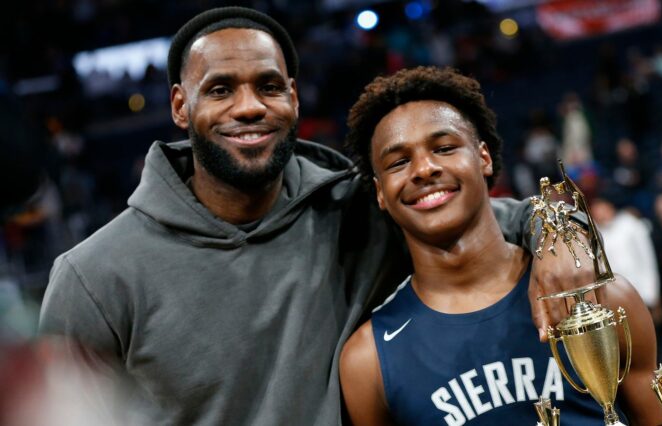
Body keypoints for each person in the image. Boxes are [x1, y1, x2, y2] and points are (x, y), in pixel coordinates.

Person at [37, 6, 580, 425]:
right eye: (221, 89)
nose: (249, 107)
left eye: (268, 86)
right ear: (181, 106)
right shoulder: (94, 279)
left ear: (294, 98)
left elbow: (494, 217)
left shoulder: (353, 210)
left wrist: (559, 236)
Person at [339, 66, 662, 426]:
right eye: (399, 162)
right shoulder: (367, 360)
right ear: (381, 192)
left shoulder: (603, 300)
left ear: (483, 157)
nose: (424, 168)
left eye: (444, 148)